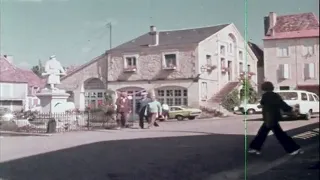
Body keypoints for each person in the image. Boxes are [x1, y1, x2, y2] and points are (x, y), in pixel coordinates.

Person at [248, 81, 303, 155]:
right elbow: (281, 104)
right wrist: (290, 109)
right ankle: (255, 148)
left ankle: (294, 148)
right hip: (272, 118)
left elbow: (263, 104)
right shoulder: (274, 95)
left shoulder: (265, 96)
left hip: (269, 119)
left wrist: (263, 106)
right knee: (267, 134)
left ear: (264, 88)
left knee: (271, 134)